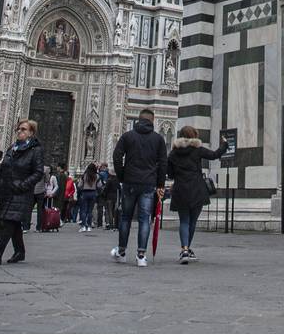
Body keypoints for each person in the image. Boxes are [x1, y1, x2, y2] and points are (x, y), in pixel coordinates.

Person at [110, 108, 167, 267]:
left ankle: (121, 252)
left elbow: (116, 156)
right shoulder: (158, 139)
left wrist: (122, 175)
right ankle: (141, 255)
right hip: (148, 184)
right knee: (144, 219)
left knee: (126, 217)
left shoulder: (128, 136)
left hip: (129, 182)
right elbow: (163, 163)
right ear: (152, 121)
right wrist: (160, 184)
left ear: (138, 120)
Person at [0, 119, 44, 265]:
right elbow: (3, 170)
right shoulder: (12, 149)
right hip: (7, 191)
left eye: (23, 129)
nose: (19, 131)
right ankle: (20, 252)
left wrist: (23, 185)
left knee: (9, 221)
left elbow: (38, 172)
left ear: (31, 133)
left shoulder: (35, 150)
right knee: (13, 222)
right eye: (18, 129)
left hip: (21, 192)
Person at [166, 126, 228, 264]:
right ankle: (187, 249)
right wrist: (224, 144)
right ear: (194, 136)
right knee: (192, 221)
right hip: (197, 189)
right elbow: (214, 155)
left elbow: (169, 174)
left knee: (184, 221)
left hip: (180, 189)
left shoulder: (173, 153)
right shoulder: (197, 150)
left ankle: (185, 250)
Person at [76, 162, 100, 233]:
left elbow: (80, 185)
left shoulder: (84, 176)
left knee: (84, 210)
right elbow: (99, 185)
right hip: (93, 193)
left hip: (85, 193)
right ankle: (89, 226)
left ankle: (83, 226)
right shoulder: (97, 176)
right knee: (90, 211)